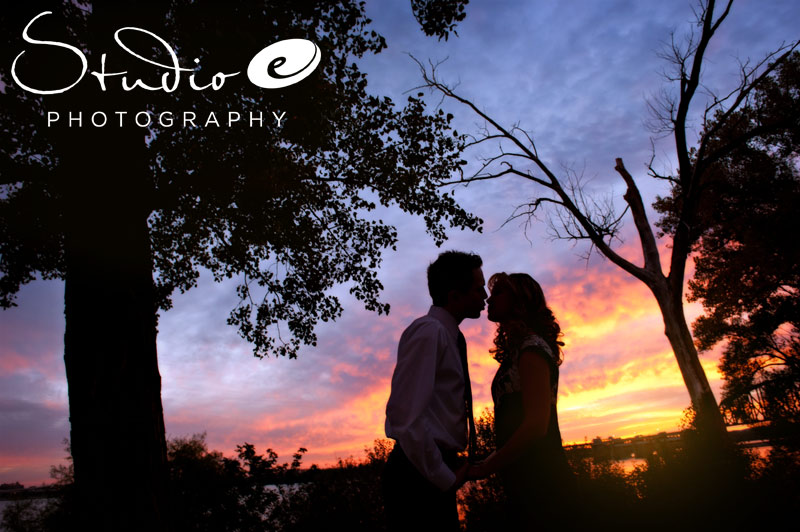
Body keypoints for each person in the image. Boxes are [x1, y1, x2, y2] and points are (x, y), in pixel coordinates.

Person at [383, 251, 487, 531]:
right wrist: (444, 477)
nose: (485, 296)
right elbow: (405, 417)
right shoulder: (430, 332)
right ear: (454, 296)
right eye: (479, 289)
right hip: (418, 476)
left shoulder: (449, 336)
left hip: (429, 469)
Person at [467, 272, 574, 528]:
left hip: (543, 483)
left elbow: (537, 424)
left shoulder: (531, 349)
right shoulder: (518, 351)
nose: (489, 300)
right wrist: (489, 460)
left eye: (498, 293)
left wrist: (487, 467)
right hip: (525, 479)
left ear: (520, 300)